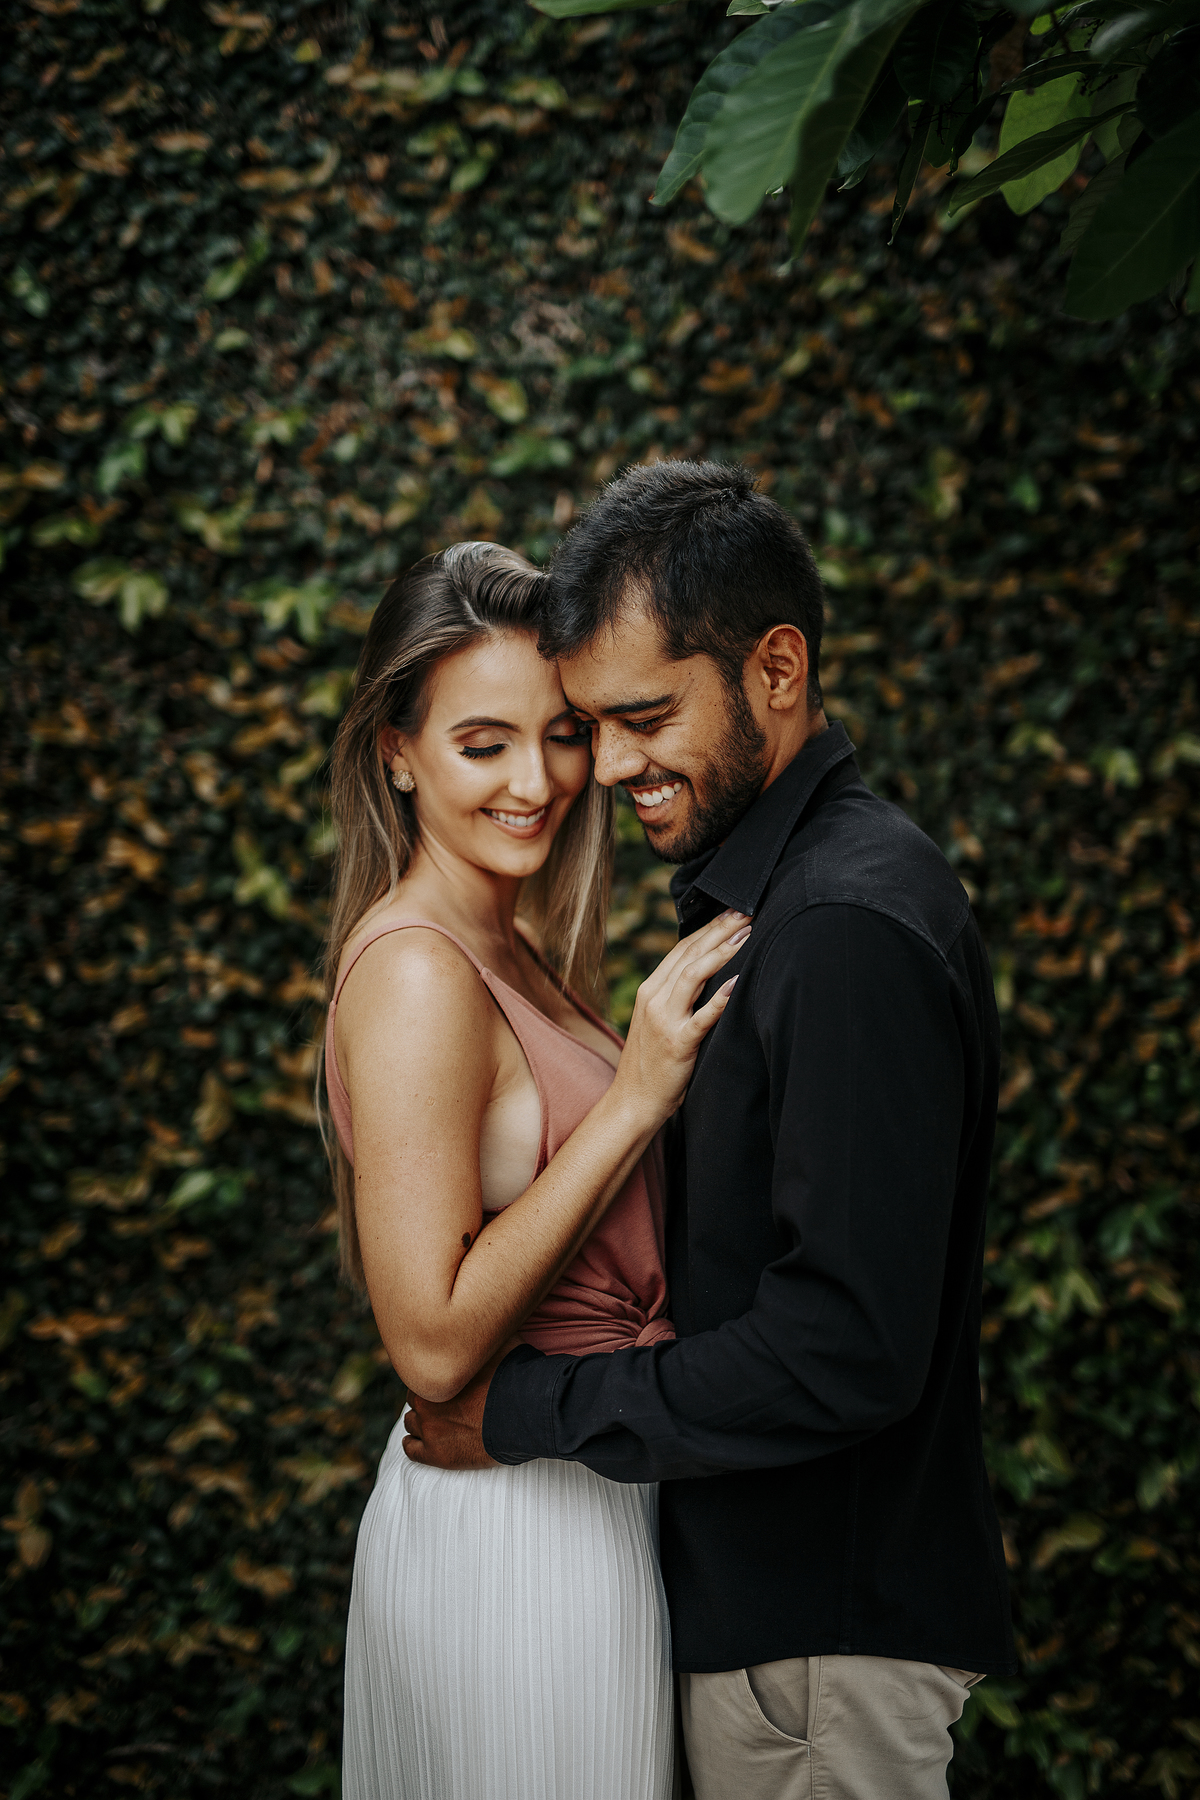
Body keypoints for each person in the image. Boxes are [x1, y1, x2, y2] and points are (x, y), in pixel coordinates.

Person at [403, 465, 1018, 1800]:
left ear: (777, 668)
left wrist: (528, 1410)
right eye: (592, 724)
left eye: (642, 717)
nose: (608, 767)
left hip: (817, 1657)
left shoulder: (842, 927)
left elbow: (844, 1347)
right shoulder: (775, 904)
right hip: (772, 1638)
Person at [320, 540, 748, 1800]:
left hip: (582, 1497)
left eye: (562, 734)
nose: (537, 780)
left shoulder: (510, 950)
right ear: (396, 752)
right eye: (482, 742)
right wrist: (636, 1099)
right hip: (507, 1527)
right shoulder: (414, 972)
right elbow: (435, 1345)